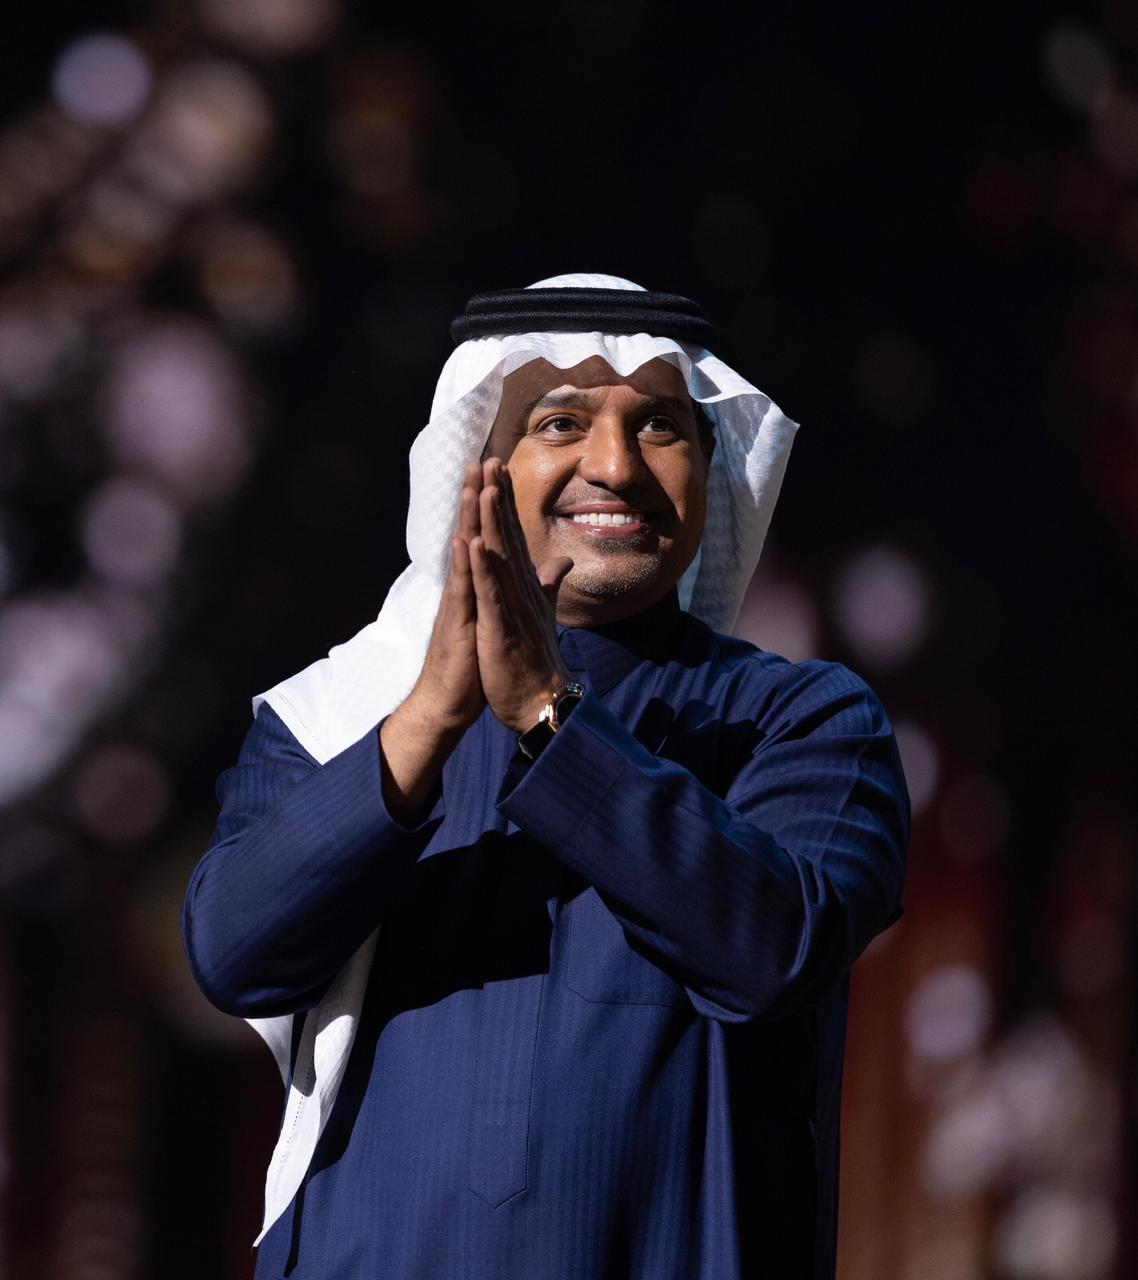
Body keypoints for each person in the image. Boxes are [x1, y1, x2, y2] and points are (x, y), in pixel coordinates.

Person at [182, 273, 910, 1279]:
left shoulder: (799, 719)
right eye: (560, 423)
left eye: (660, 427)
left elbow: (777, 950)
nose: (613, 466)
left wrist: (547, 715)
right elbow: (233, 956)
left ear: (710, 471)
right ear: (477, 468)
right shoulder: (337, 715)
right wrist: (429, 719)